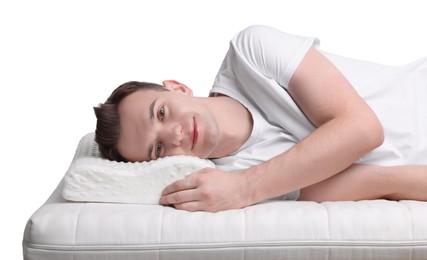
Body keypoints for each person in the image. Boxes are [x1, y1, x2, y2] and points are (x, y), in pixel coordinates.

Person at [94, 25, 427, 212]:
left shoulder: (249, 54)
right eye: (159, 149)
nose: (175, 134)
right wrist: (245, 187)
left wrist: (246, 189)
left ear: (178, 88)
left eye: (162, 113)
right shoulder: (232, 178)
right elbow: (388, 180)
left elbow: (363, 130)